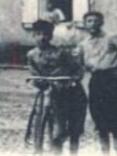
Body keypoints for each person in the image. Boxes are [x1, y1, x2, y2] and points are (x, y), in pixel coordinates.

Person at [77, 11, 117, 154]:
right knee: (101, 124)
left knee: (116, 124)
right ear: (85, 24)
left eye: (96, 21)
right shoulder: (83, 44)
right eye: (89, 21)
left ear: (102, 23)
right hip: (96, 83)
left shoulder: (111, 38)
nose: (93, 24)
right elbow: (79, 65)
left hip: (112, 82)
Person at [27, 19, 87, 154]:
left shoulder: (61, 53)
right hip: (47, 93)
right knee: (40, 124)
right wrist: (38, 82)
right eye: (38, 34)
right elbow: (34, 73)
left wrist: (72, 81)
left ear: (51, 36)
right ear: (33, 35)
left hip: (69, 93)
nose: (42, 38)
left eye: (46, 34)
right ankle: (42, 149)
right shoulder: (32, 55)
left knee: (71, 129)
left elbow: (77, 69)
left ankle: (72, 150)